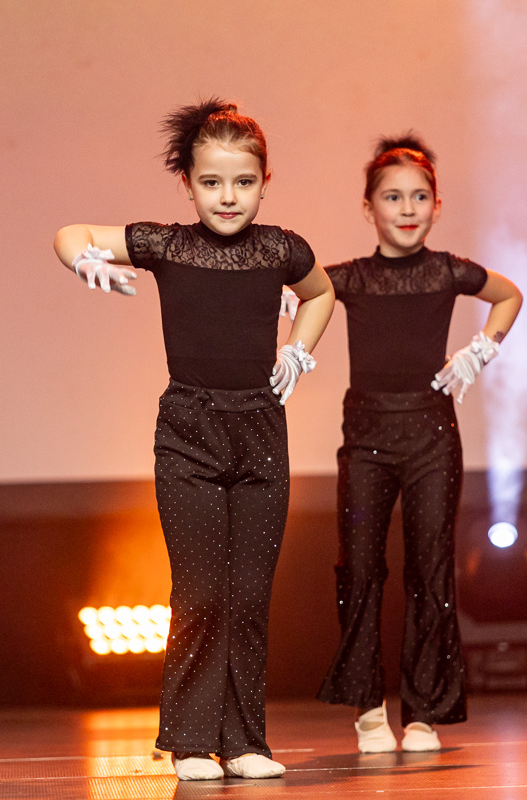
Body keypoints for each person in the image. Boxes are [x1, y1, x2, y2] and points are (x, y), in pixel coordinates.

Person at [53, 99, 334, 780]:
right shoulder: (168, 244)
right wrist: (83, 260)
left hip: (261, 431)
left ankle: (245, 741)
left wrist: (298, 348)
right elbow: (69, 231)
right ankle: (188, 740)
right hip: (189, 433)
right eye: (211, 182)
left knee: (250, 596)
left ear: (265, 182)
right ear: (187, 184)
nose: (227, 196)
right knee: (202, 592)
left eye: (243, 182)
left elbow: (321, 293)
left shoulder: (282, 249)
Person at [314, 134, 522, 753]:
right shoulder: (349, 278)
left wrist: (480, 350)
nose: (407, 208)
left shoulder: (447, 270)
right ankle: (368, 710)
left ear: (437, 205)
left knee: (430, 569)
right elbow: (300, 292)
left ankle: (424, 712)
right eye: (392, 197)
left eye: (419, 196)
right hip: (367, 437)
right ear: (368, 207)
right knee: (360, 567)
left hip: (432, 435)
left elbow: (509, 294)